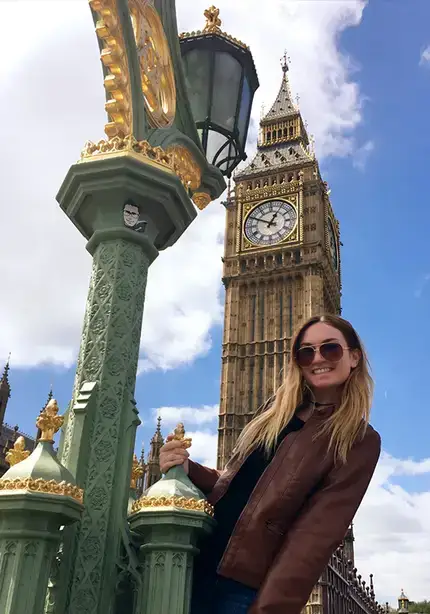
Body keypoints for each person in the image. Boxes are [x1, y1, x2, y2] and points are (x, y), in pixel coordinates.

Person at [159, 314, 381, 614]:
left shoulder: (358, 439)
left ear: (354, 357)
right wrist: (187, 468)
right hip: (193, 560)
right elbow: (236, 484)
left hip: (240, 589)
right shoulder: (275, 411)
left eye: (330, 349)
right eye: (306, 352)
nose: (317, 358)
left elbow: (312, 541)